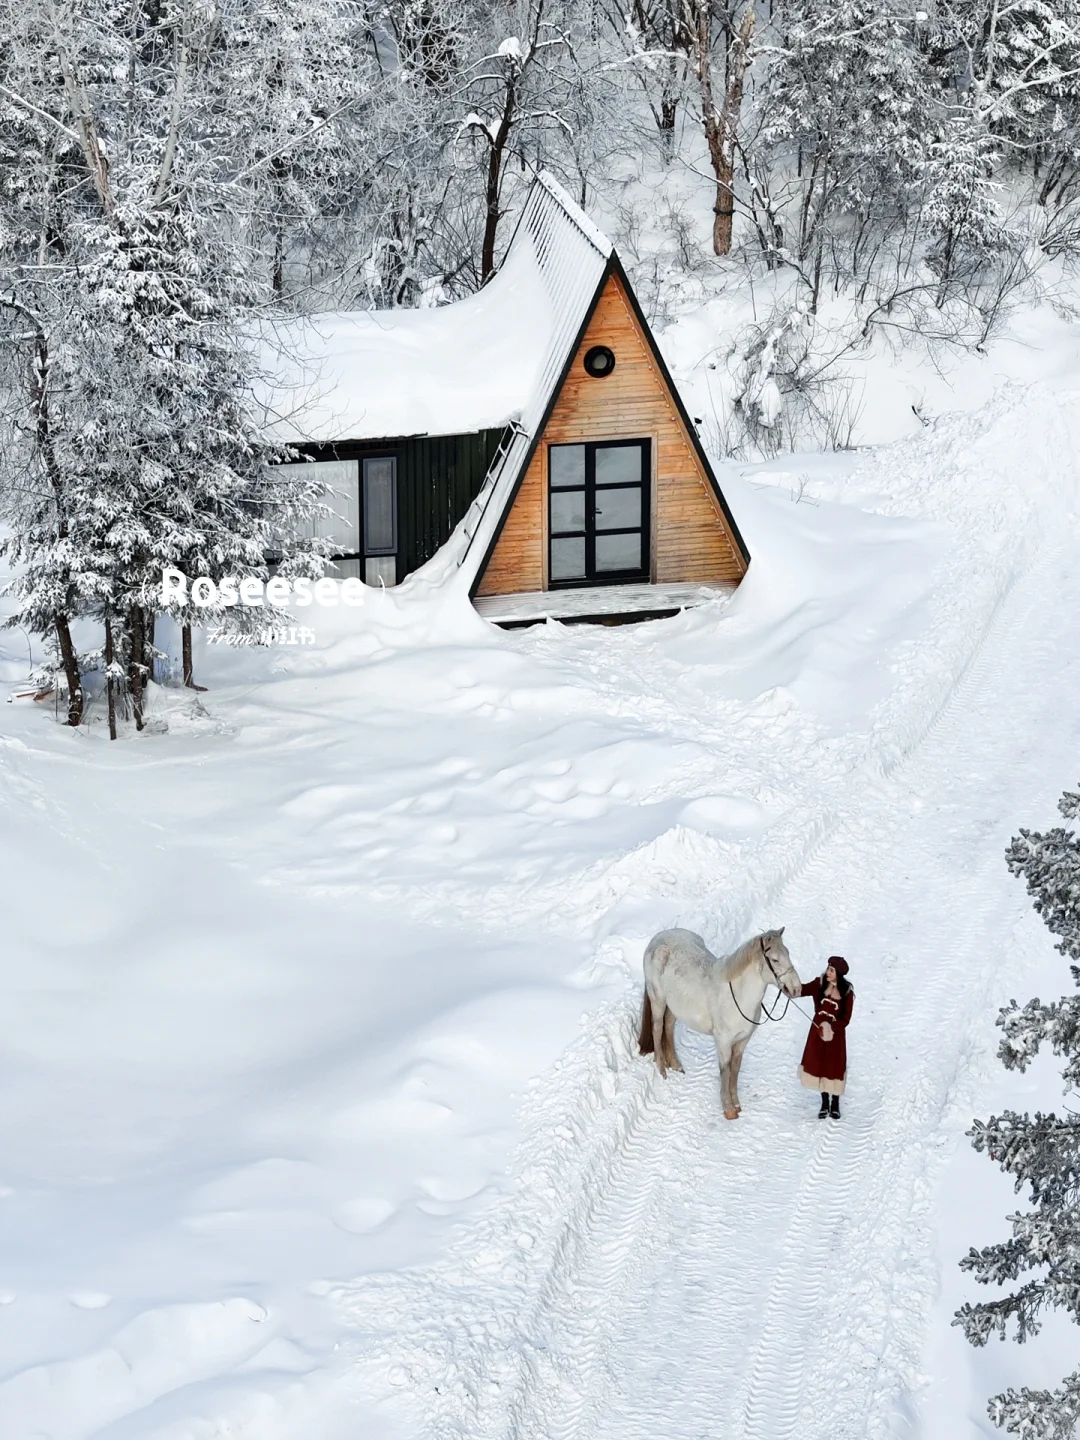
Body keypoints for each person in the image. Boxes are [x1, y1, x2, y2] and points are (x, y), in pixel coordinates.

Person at [798, 956, 854, 1119]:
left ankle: (835, 1103)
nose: (828, 972)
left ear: (839, 973)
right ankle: (824, 1103)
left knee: (834, 1065)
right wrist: (789, 986)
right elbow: (803, 990)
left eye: (831, 970)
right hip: (817, 1031)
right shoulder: (820, 983)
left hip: (835, 1035)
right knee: (820, 1063)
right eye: (828, 968)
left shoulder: (847, 992)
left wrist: (831, 1028)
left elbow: (846, 1019)